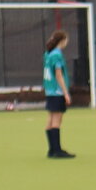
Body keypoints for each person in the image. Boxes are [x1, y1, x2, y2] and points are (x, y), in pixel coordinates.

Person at [42, 29, 75, 158]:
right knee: (57, 119)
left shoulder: (48, 53)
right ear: (63, 40)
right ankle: (57, 150)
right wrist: (65, 92)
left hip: (49, 90)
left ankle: (52, 149)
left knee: (50, 119)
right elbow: (58, 74)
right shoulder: (57, 54)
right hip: (57, 91)